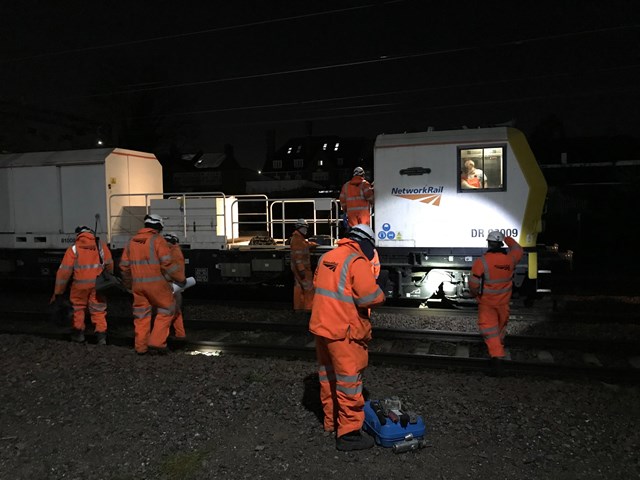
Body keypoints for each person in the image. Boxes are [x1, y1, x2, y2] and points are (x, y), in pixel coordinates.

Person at [309, 224, 386, 451]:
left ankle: (332, 422)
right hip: (344, 332)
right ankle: (349, 433)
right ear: (366, 243)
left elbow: (319, 286)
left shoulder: (327, 257)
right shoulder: (356, 261)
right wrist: (382, 292)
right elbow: (369, 297)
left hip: (323, 328)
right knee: (349, 382)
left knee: (328, 378)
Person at [119, 214, 186, 355]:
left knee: (141, 316)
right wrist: (180, 278)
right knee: (167, 310)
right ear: (158, 227)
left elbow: (124, 266)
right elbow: (167, 264)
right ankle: (156, 343)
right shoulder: (157, 240)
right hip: (156, 285)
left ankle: (141, 348)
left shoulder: (132, 241)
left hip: (138, 286)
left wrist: (128, 284)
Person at [469, 231, 523, 376]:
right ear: (500, 244)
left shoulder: (482, 261)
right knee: (499, 331)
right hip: (504, 304)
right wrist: (506, 237)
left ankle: (498, 361)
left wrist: (475, 295)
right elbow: (518, 249)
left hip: (487, 304)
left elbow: (473, 284)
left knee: (489, 332)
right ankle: (496, 354)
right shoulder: (510, 260)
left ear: (488, 243)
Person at [50, 226, 113, 345]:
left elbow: (63, 273)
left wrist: (58, 292)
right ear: (91, 234)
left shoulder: (74, 249)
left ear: (79, 235)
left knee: (78, 309)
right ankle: (101, 337)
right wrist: (108, 280)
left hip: (79, 286)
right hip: (98, 285)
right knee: (98, 310)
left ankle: (78, 336)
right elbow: (109, 264)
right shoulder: (101, 246)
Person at [289, 219, 318, 313]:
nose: (306, 230)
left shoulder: (298, 238)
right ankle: (308, 309)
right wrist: (301, 269)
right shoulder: (297, 239)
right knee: (309, 289)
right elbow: (298, 256)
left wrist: (312, 244)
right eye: (304, 228)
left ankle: (298, 308)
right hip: (303, 270)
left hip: (298, 269)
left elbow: (303, 245)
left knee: (298, 287)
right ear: (299, 227)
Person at [163, 232, 187, 339]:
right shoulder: (176, 251)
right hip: (176, 284)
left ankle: (162, 336)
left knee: (166, 312)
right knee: (176, 311)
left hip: (168, 285)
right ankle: (180, 334)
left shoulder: (163, 251)